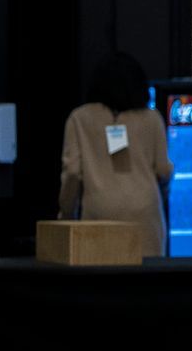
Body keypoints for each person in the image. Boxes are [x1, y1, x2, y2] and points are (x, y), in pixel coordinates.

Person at [58, 52, 173, 255]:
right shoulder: (152, 119)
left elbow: (73, 173)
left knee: (101, 280)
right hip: (145, 215)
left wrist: (67, 213)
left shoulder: (79, 118)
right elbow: (163, 170)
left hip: (97, 214)